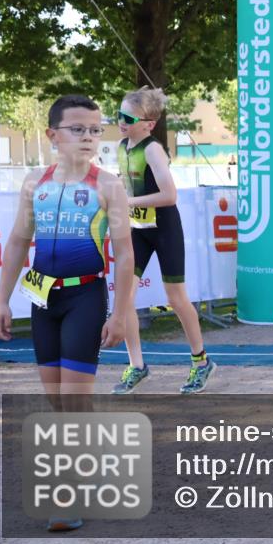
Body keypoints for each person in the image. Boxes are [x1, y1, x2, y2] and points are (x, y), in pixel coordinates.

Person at [0, 94, 135, 532]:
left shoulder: (108, 185)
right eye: (78, 129)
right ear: (53, 135)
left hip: (85, 299)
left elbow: (126, 254)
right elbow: (17, 241)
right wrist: (1, 299)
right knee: (58, 400)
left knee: (73, 400)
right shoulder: (35, 182)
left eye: (95, 129)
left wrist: (122, 313)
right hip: (42, 300)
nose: (89, 137)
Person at [112, 87, 216, 394]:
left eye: (127, 117)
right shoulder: (121, 146)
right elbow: (123, 183)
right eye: (118, 114)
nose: (121, 121)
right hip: (137, 229)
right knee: (124, 297)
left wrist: (125, 202)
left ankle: (201, 361)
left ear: (149, 123)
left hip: (164, 228)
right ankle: (136, 365)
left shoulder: (153, 149)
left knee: (176, 298)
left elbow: (170, 196)